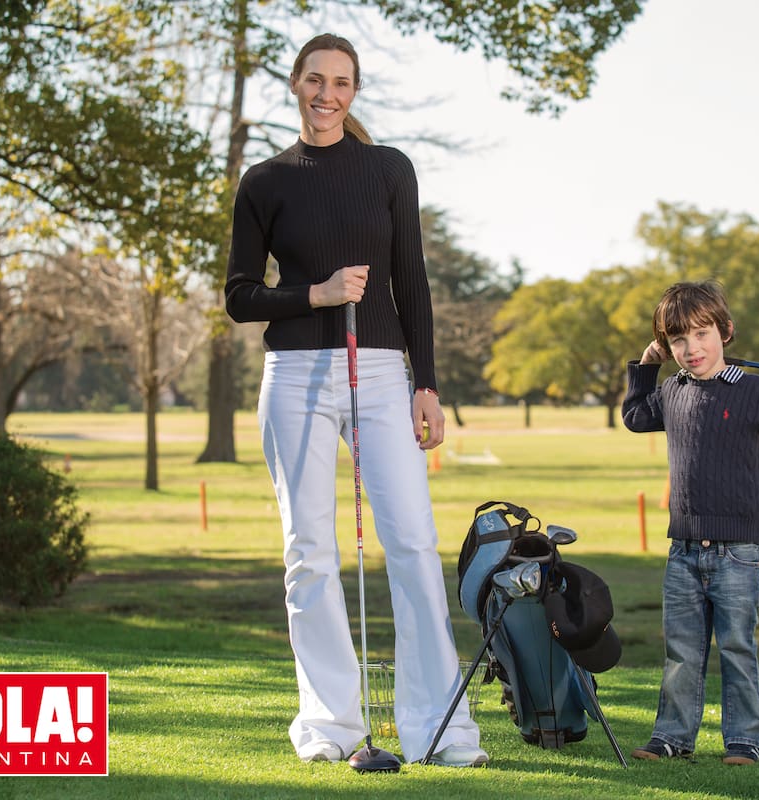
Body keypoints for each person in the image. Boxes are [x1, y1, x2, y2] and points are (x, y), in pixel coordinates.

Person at [224, 32, 486, 768]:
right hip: (296, 378)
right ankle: (332, 727)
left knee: (410, 544)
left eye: (341, 82)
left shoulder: (387, 170)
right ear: (295, 84)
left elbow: (413, 281)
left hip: (380, 374)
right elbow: (240, 297)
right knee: (309, 553)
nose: (327, 94)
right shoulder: (264, 181)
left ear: (354, 91)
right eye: (315, 80)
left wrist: (426, 382)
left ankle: (441, 730)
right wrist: (316, 293)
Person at [621, 280, 759, 766]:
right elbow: (635, 416)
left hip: (738, 551)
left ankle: (745, 740)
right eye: (677, 340)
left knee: (737, 649)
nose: (690, 348)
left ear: (724, 331)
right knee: (681, 651)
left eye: (701, 334)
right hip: (682, 548)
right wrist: (647, 364)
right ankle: (672, 738)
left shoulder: (756, 392)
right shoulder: (672, 392)